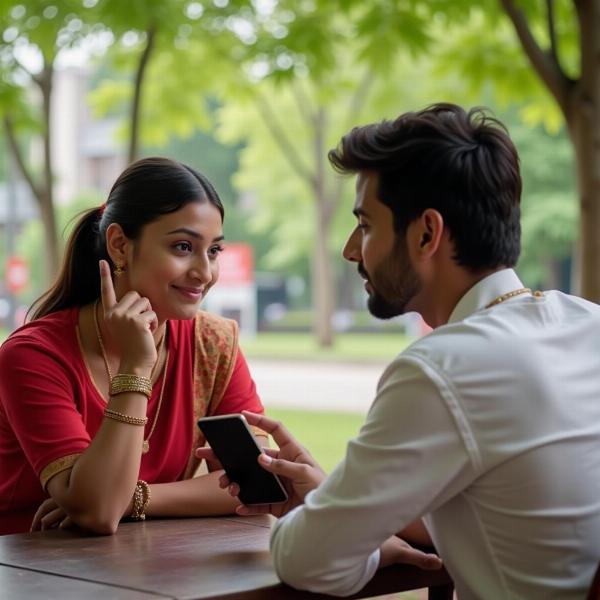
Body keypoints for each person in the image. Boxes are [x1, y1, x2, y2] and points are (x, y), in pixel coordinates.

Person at [199, 104, 600, 598]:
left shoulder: (445, 367)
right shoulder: (589, 323)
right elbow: (518, 511)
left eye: (365, 224)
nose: (350, 249)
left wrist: (340, 533)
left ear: (426, 233)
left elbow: (307, 562)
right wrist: (336, 504)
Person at [0, 157, 266, 536]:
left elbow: (256, 482)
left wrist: (138, 498)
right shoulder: (33, 356)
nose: (205, 274)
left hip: (155, 572)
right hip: (32, 573)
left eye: (213, 251)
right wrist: (136, 366)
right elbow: (98, 512)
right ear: (120, 245)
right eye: (183, 246)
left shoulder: (215, 344)